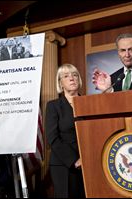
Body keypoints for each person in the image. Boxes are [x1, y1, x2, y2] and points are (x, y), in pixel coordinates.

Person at [45, 63, 85, 198]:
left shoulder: (90, 103)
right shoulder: (53, 106)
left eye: (74, 75)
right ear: (60, 83)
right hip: (64, 164)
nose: (72, 78)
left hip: (89, 161)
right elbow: (52, 138)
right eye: (66, 76)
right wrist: (74, 160)